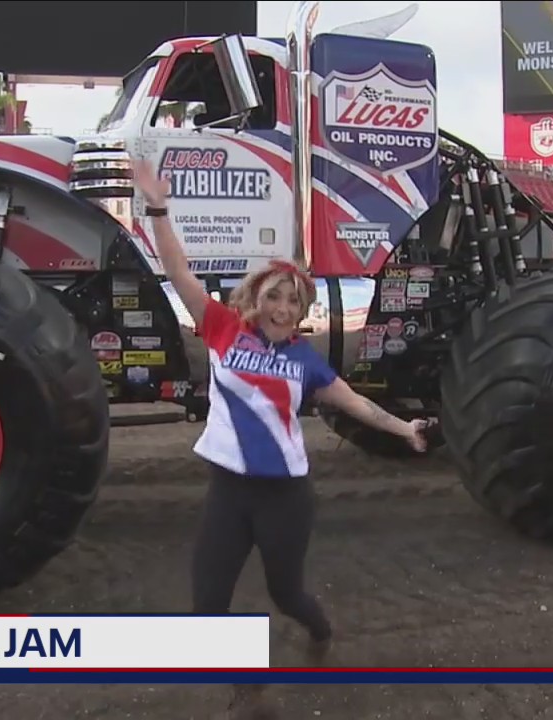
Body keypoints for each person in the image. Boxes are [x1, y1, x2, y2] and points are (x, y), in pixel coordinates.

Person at [130, 158, 432, 716]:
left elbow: (358, 404)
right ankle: (247, 686)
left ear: (301, 312)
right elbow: (177, 271)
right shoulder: (222, 329)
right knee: (208, 605)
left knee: (286, 594)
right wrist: (157, 209)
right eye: (275, 296)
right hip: (229, 492)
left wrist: (404, 427)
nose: (283, 308)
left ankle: (319, 632)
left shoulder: (305, 362)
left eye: (293, 302)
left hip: (285, 498)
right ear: (257, 299)